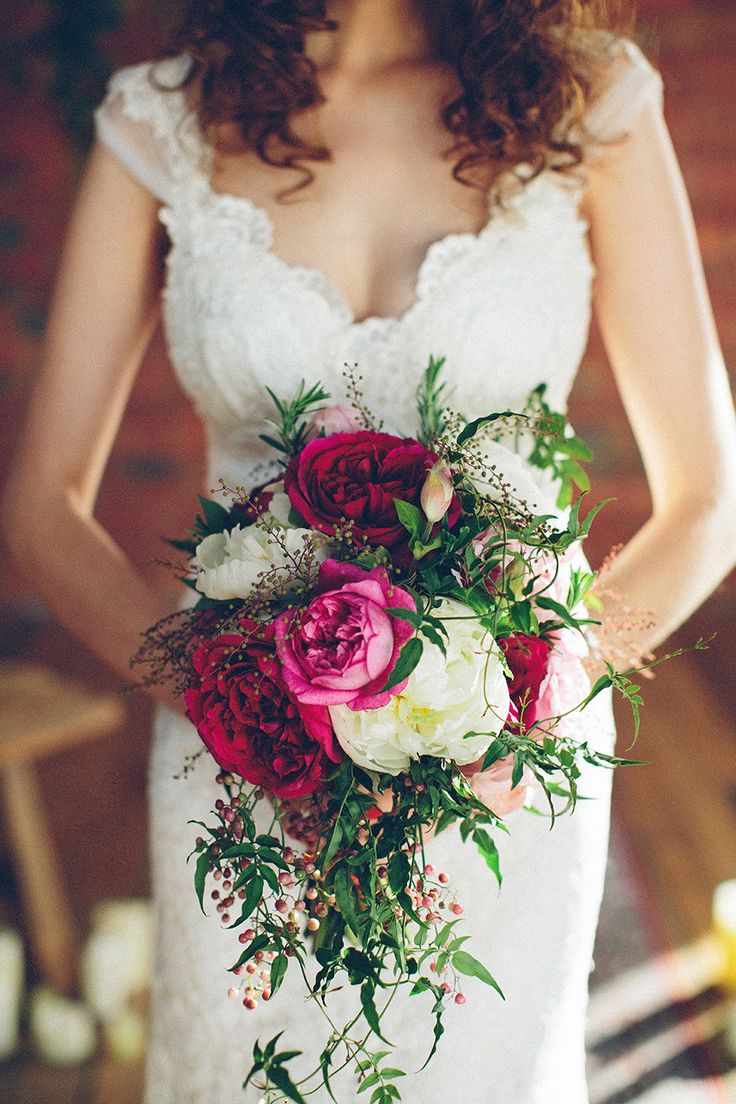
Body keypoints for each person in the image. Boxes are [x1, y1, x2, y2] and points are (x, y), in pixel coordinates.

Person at [4, 2, 736, 1101]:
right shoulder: (159, 121)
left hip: (502, 771)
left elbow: (709, 501)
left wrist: (537, 691)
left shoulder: (590, 100)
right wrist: (219, 696)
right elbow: (42, 509)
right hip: (242, 765)